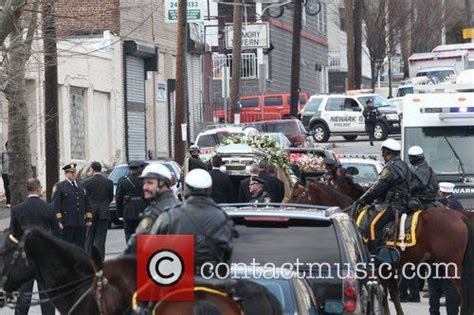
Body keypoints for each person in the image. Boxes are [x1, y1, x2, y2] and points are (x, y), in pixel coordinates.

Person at [150, 168, 234, 276]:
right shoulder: (224, 218)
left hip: (180, 284)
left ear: (187, 189)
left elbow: (151, 249)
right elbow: (228, 255)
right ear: (209, 190)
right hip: (214, 283)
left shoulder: (170, 216)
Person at [353, 139, 411, 252]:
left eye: (383, 153)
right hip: (404, 203)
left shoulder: (390, 168)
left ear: (386, 152)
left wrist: (362, 200)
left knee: (372, 225)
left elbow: (377, 188)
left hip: (392, 206)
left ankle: (374, 253)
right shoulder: (404, 165)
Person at [10, 178, 57, 315]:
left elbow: (14, 234)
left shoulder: (17, 209)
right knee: (46, 295)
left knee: (24, 295)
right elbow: (56, 233)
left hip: (25, 257)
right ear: (38, 189)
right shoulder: (48, 208)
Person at [124, 163, 180, 255]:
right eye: (144, 183)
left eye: (150, 183)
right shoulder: (178, 204)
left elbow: (136, 243)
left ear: (161, 183)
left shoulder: (154, 212)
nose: (145, 187)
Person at [51, 163, 92, 248]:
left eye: (74, 172)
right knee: (67, 247)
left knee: (80, 246)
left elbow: (86, 203)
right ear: (66, 174)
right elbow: (55, 206)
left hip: (80, 222)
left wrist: (88, 218)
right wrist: (58, 221)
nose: (73, 174)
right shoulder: (60, 186)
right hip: (67, 222)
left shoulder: (81, 185)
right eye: (70, 172)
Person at [83, 161, 114, 260]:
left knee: (89, 238)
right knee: (101, 239)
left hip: (90, 213)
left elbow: (84, 198)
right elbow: (110, 197)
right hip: (104, 212)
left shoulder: (86, 182)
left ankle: (88, 259)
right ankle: (100, 260)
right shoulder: (109, 182)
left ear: (92, 169)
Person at [115, 160, 148, 242]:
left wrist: (120, 214)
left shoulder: (123, 180)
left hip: (128, 210)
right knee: (142, 233)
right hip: (142, 209)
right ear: (139, 169)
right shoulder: (145, 180)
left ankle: (130, 251)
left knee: (129, 233)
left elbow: (118, 198)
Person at [2, 141, 10, 207]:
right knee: (7, 188)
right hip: (5, 173)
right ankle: (8, 202)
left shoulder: (15, 154)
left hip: (13, 173)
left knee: (13, 187)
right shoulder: (3, 154)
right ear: (6, 146)